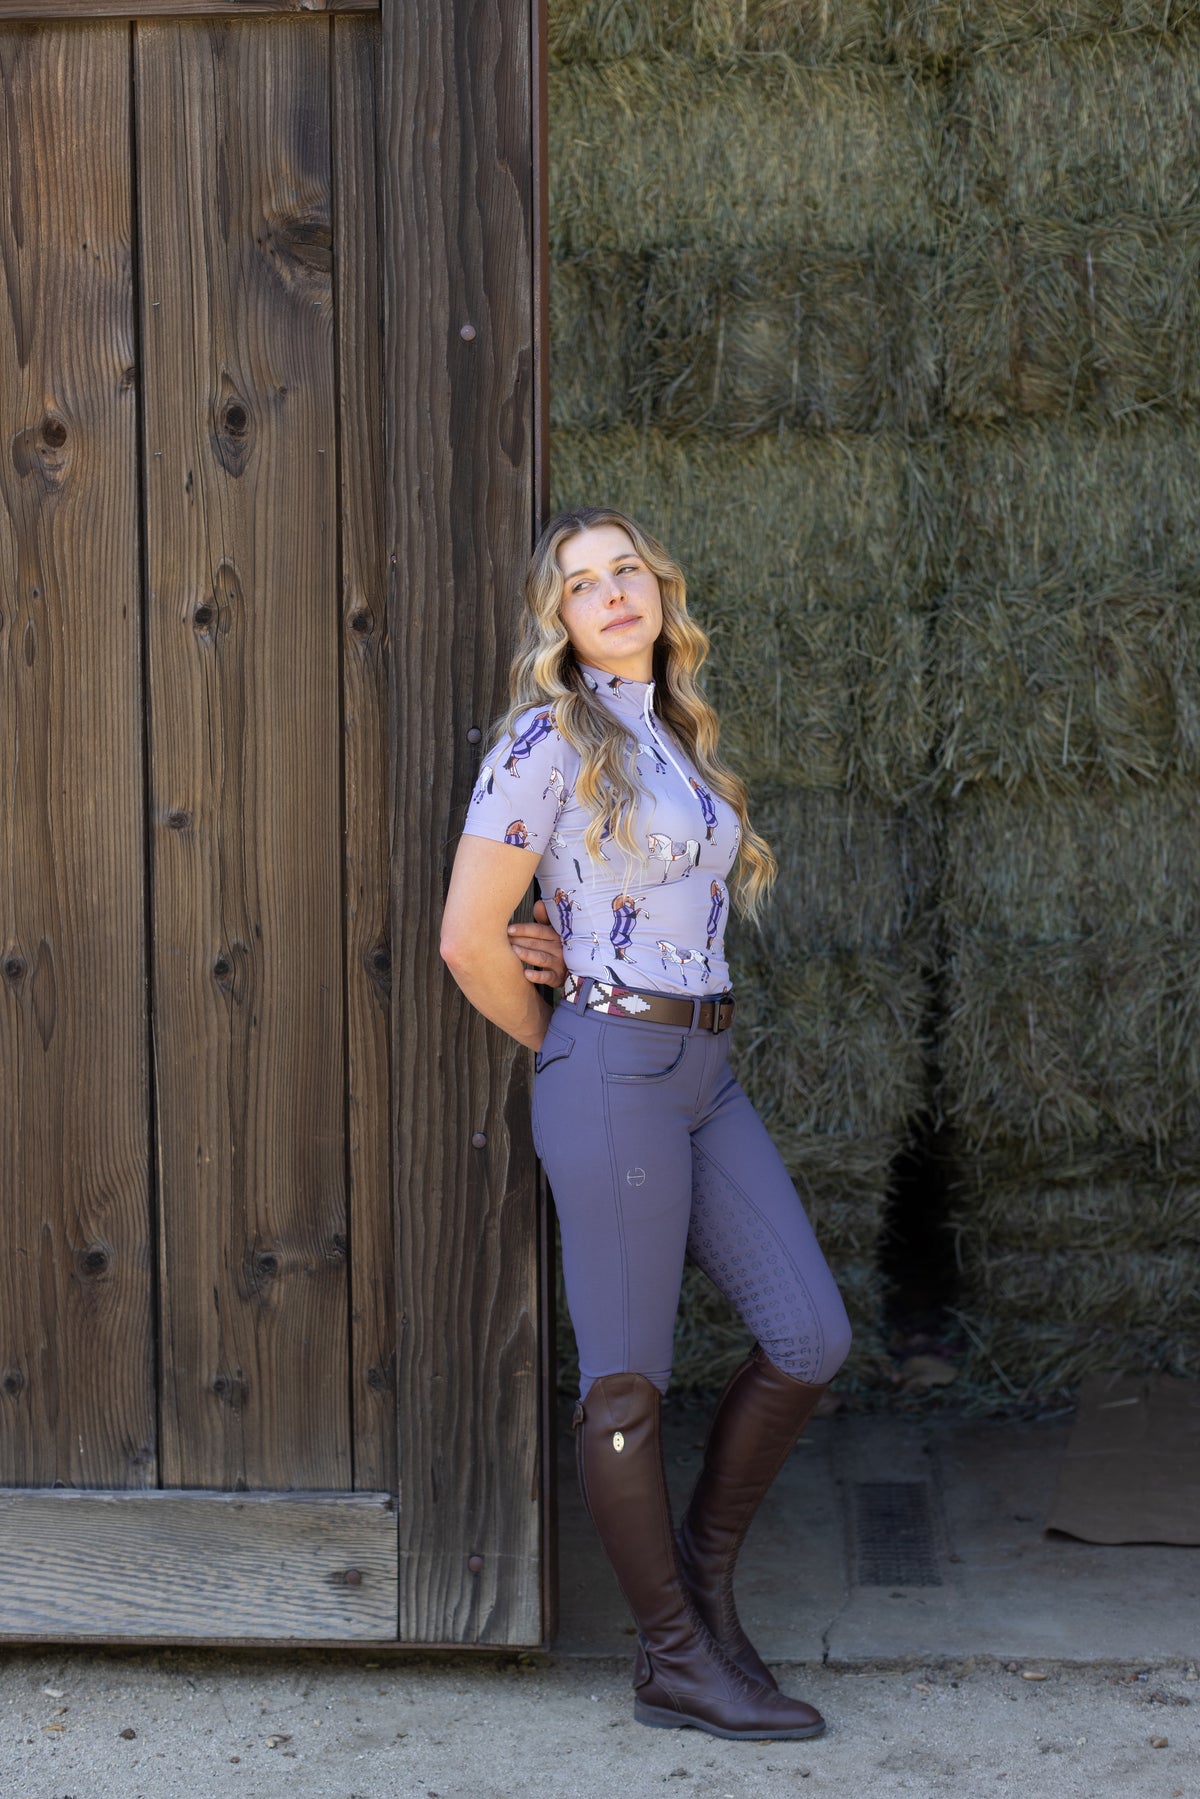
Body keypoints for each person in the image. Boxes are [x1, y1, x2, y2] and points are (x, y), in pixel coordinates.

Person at [440, 507, 852, 1742]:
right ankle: (674, 1656)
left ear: (660, 590)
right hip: (614, 1065)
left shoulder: (671, 731)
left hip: (704, 1067)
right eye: (581, 582)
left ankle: (703, 1587)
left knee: (811, 1334)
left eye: (626, 569)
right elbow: (469, 938)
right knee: (626, 1383)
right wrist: (573, 1038)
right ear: (558, 621)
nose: (611, 591)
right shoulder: (545, 739)